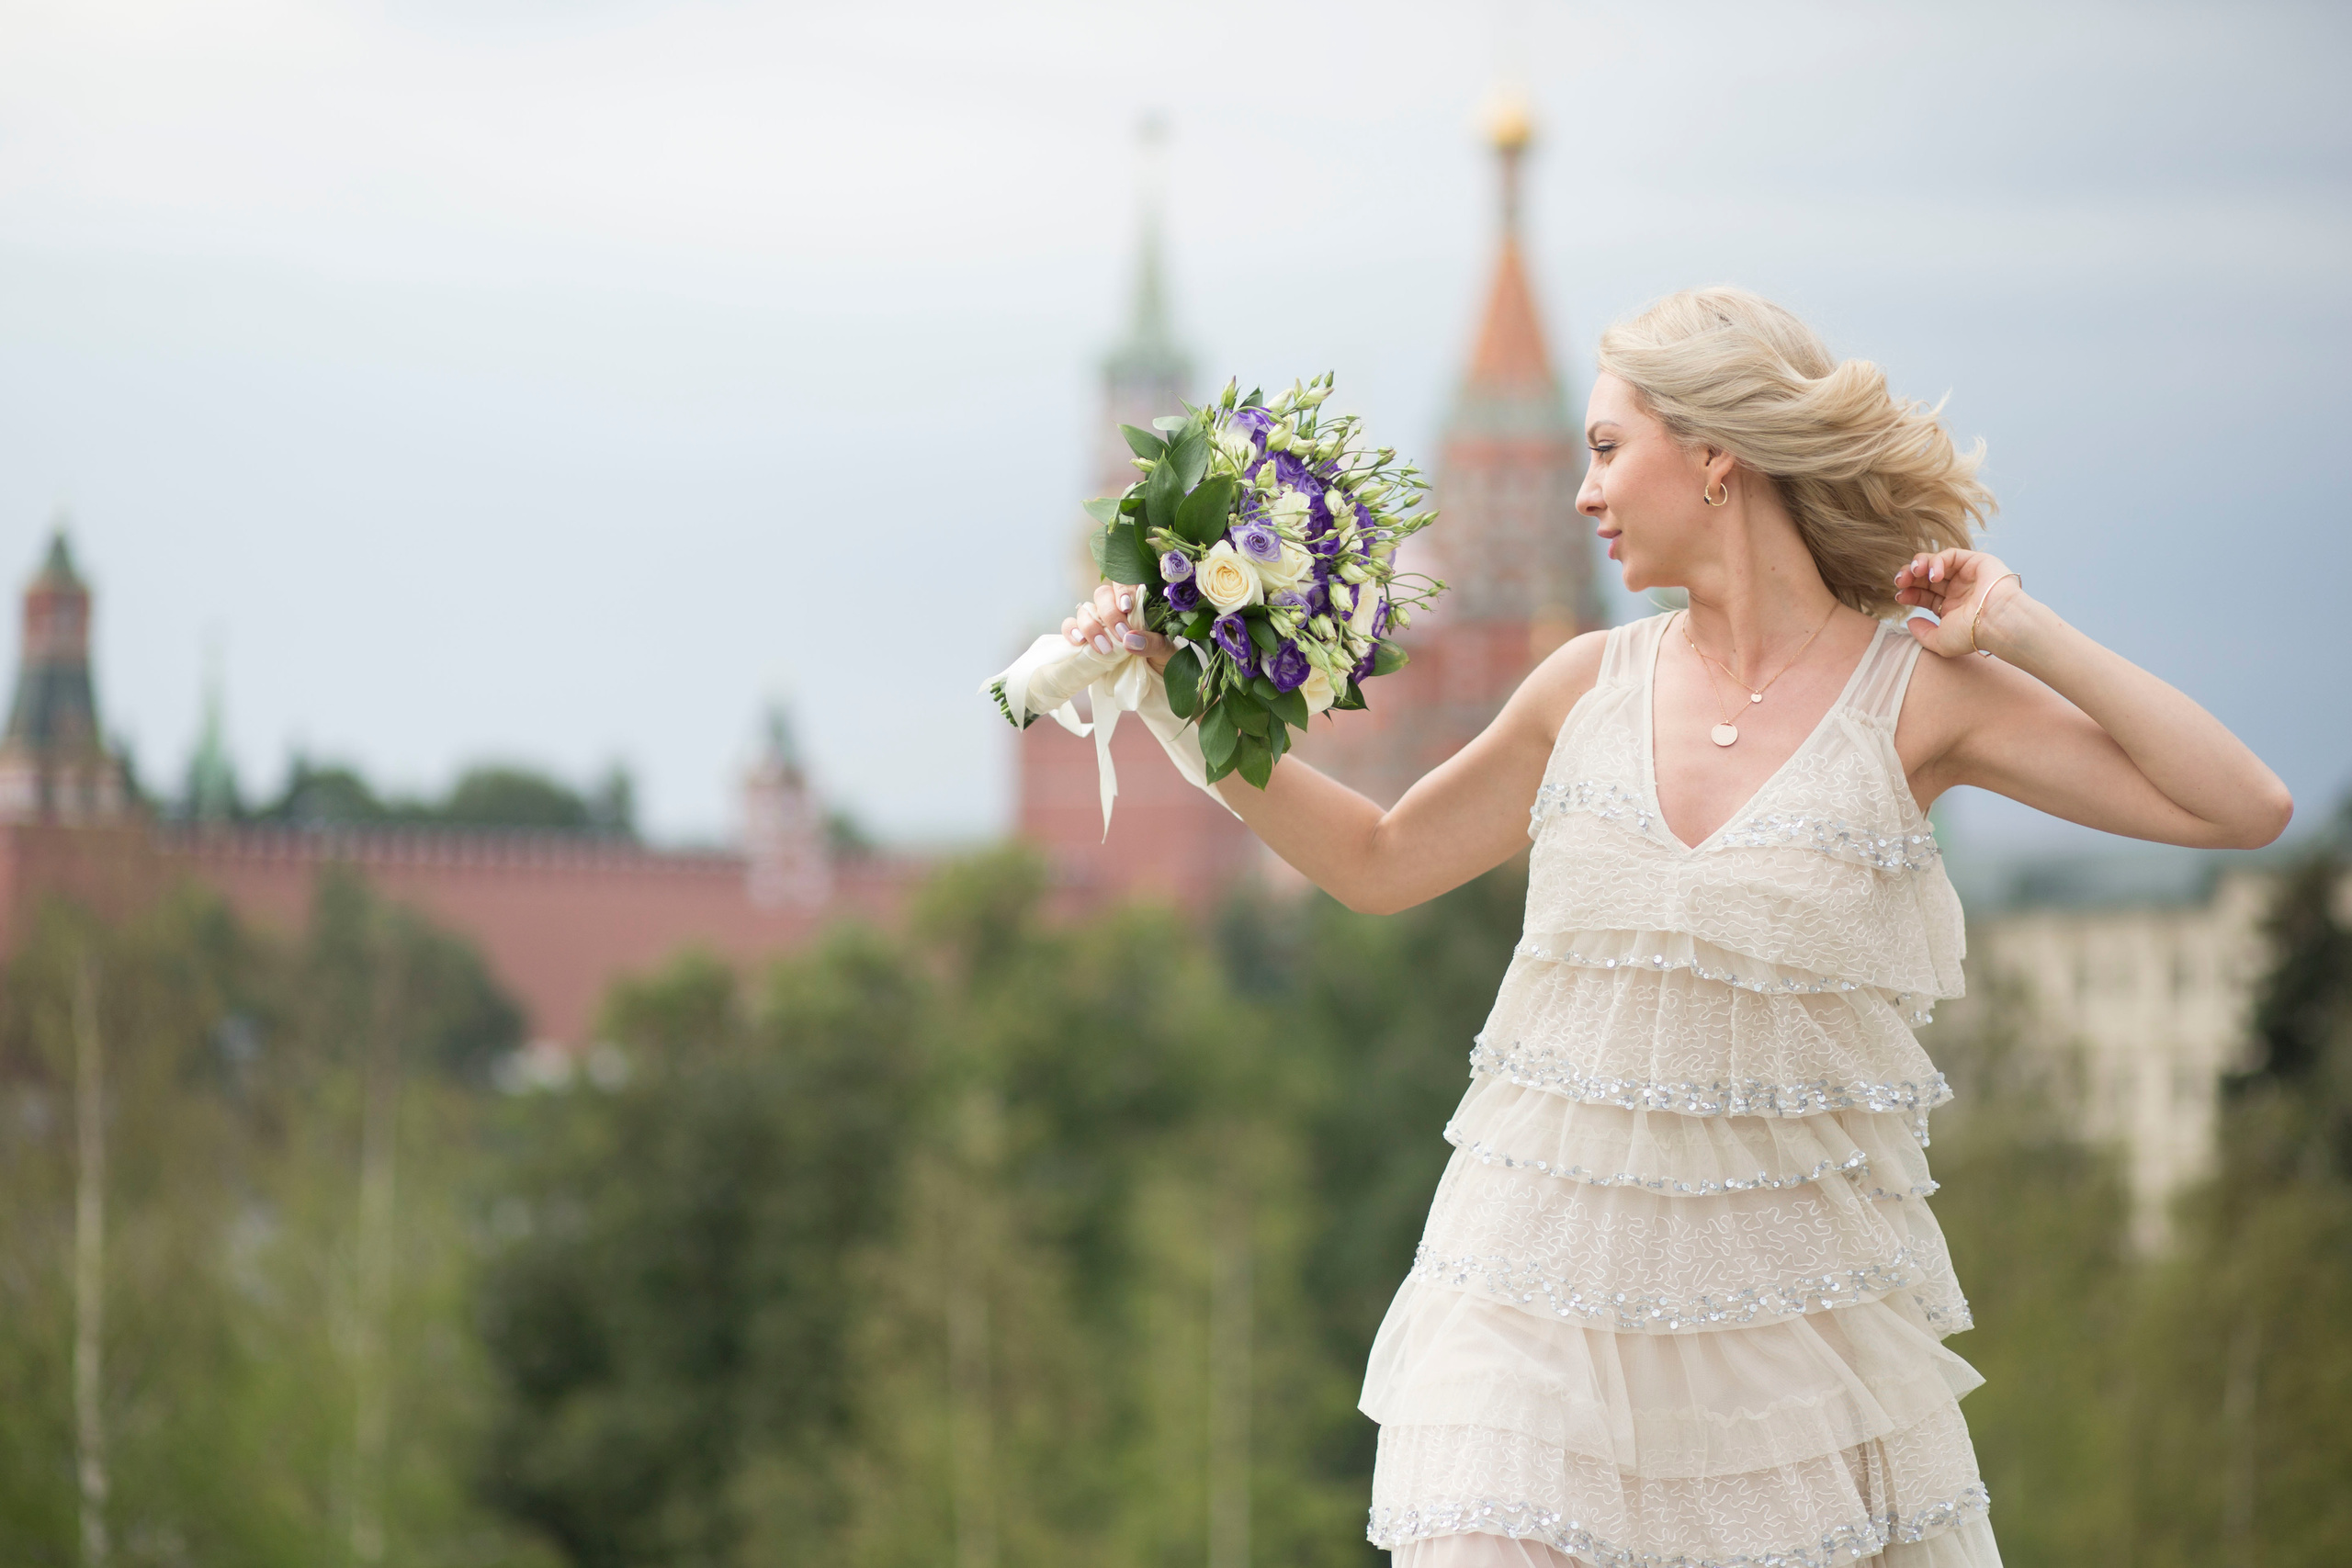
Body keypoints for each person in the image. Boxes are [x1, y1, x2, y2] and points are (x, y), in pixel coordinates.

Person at [1062, 287, 2292, 1567]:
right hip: (1527, 1298)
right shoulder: (1581, 687)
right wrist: (1172, 691)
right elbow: (1377, 862)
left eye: (1607, 449)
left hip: (1787, 1336)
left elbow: (2242, 806)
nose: (1583, 494)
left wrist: (2023, 631)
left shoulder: (1917, 698)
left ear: (1714, 455)